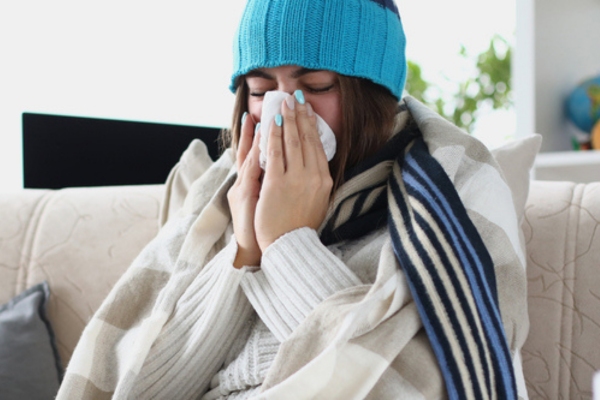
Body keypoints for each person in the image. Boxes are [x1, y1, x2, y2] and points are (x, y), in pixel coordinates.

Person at [56, 0, 530, 399]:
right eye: (261, 90)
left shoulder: (453, 190)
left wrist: (287, 244)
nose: (284, 111)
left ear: (375, 95)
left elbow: (403, 386)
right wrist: (245, 248)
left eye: (317, 86)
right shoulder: (223, 195)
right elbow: (137, 388)